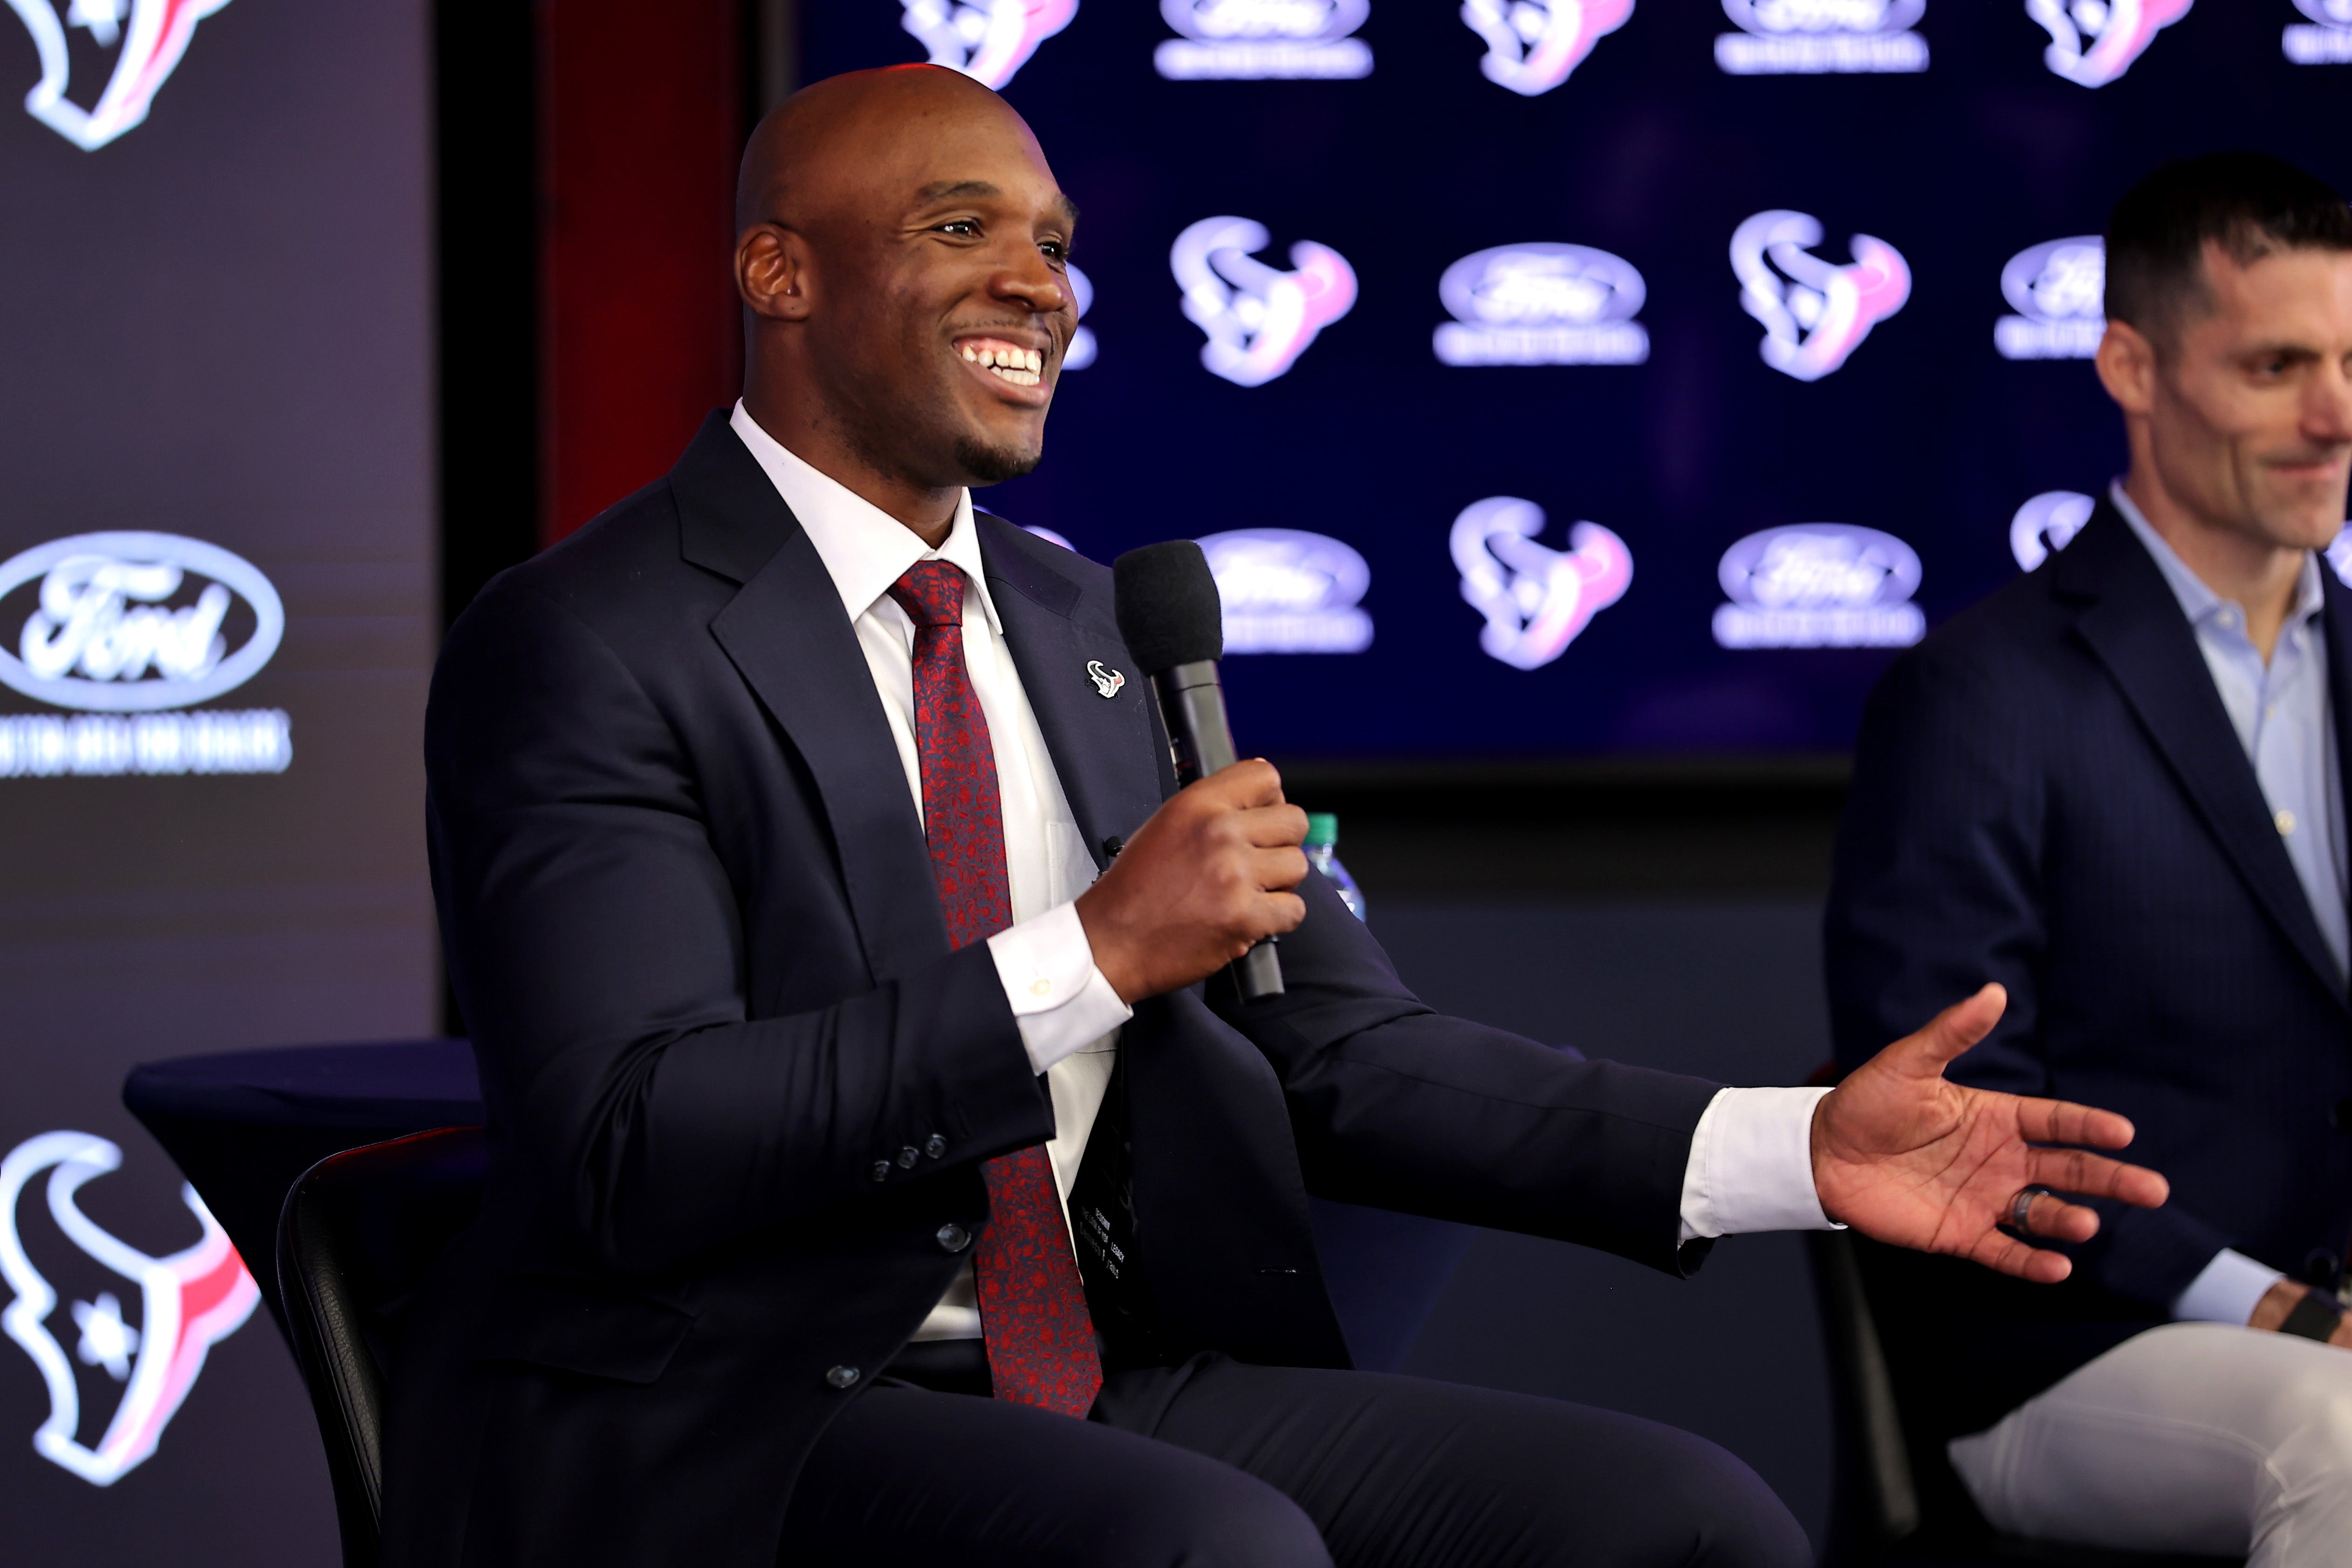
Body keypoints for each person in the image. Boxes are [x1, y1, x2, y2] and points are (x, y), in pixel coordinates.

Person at [384, 66, 2163, 1568]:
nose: (1040, 283)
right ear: (777, 271)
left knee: (1685, 1519)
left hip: (1099, 1370)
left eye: (1057, 246)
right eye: (960, 230)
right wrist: (1085, 959)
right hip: (744, 1416)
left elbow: (1340, 1052)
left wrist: (1792, 1151)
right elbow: (627, 1137)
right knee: (1218, 1555)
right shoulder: (586, 640)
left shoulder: (1094, 623)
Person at [1826, 151, 2352, 1566]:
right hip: (2072, 1346)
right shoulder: (1980, 695)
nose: (2336, 417)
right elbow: (1955, 1113)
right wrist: (2278, 1306)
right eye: (2279, 366)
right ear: (2132, 365)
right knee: (2340, 1436)